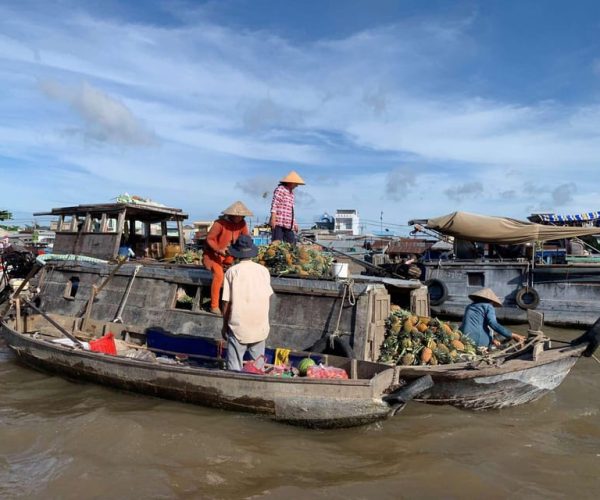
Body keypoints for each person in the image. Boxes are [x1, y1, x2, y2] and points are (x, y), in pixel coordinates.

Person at [221, 234, 273, 371]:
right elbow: (268, 297)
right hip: (260, 327)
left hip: (239, 328)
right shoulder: (263, 271)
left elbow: (226, 303)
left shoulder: (232, 272)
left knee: (234, 368)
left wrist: (224, 326)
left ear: (236, 253)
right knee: (258, 367)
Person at [203, 201, 253, 315]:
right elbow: (210, 239)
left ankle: (235, 304)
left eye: (241, 216)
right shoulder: (219, 223)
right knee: (219, 275)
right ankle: (214, 306)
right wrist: (218, 250)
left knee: (234, 274)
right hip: (212, 256)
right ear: (232, 215)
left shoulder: (242, 224)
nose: (239, 218)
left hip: (229, 256)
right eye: (237, 216)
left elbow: (246, 238)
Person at [460, 287, 526, 348]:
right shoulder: (488, 306)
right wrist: (514, 335)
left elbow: (464, 325)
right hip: (479, 341)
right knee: (507, 335)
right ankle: (500, 345)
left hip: (464, 340)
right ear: (491, 301)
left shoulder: (469, 307)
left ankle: (494, 342)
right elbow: (493, 324)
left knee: (495, 334)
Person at [269, 170, 305, 244]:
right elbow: (274, 204)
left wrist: (295, 224)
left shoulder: (291, 194)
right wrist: (273, 218)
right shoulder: (280, 189)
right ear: (290, 182)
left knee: (292, 244)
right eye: (296, 184)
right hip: (278, 223)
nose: (296, 186)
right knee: (276, 244)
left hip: (288, 224)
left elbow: (291, 210)